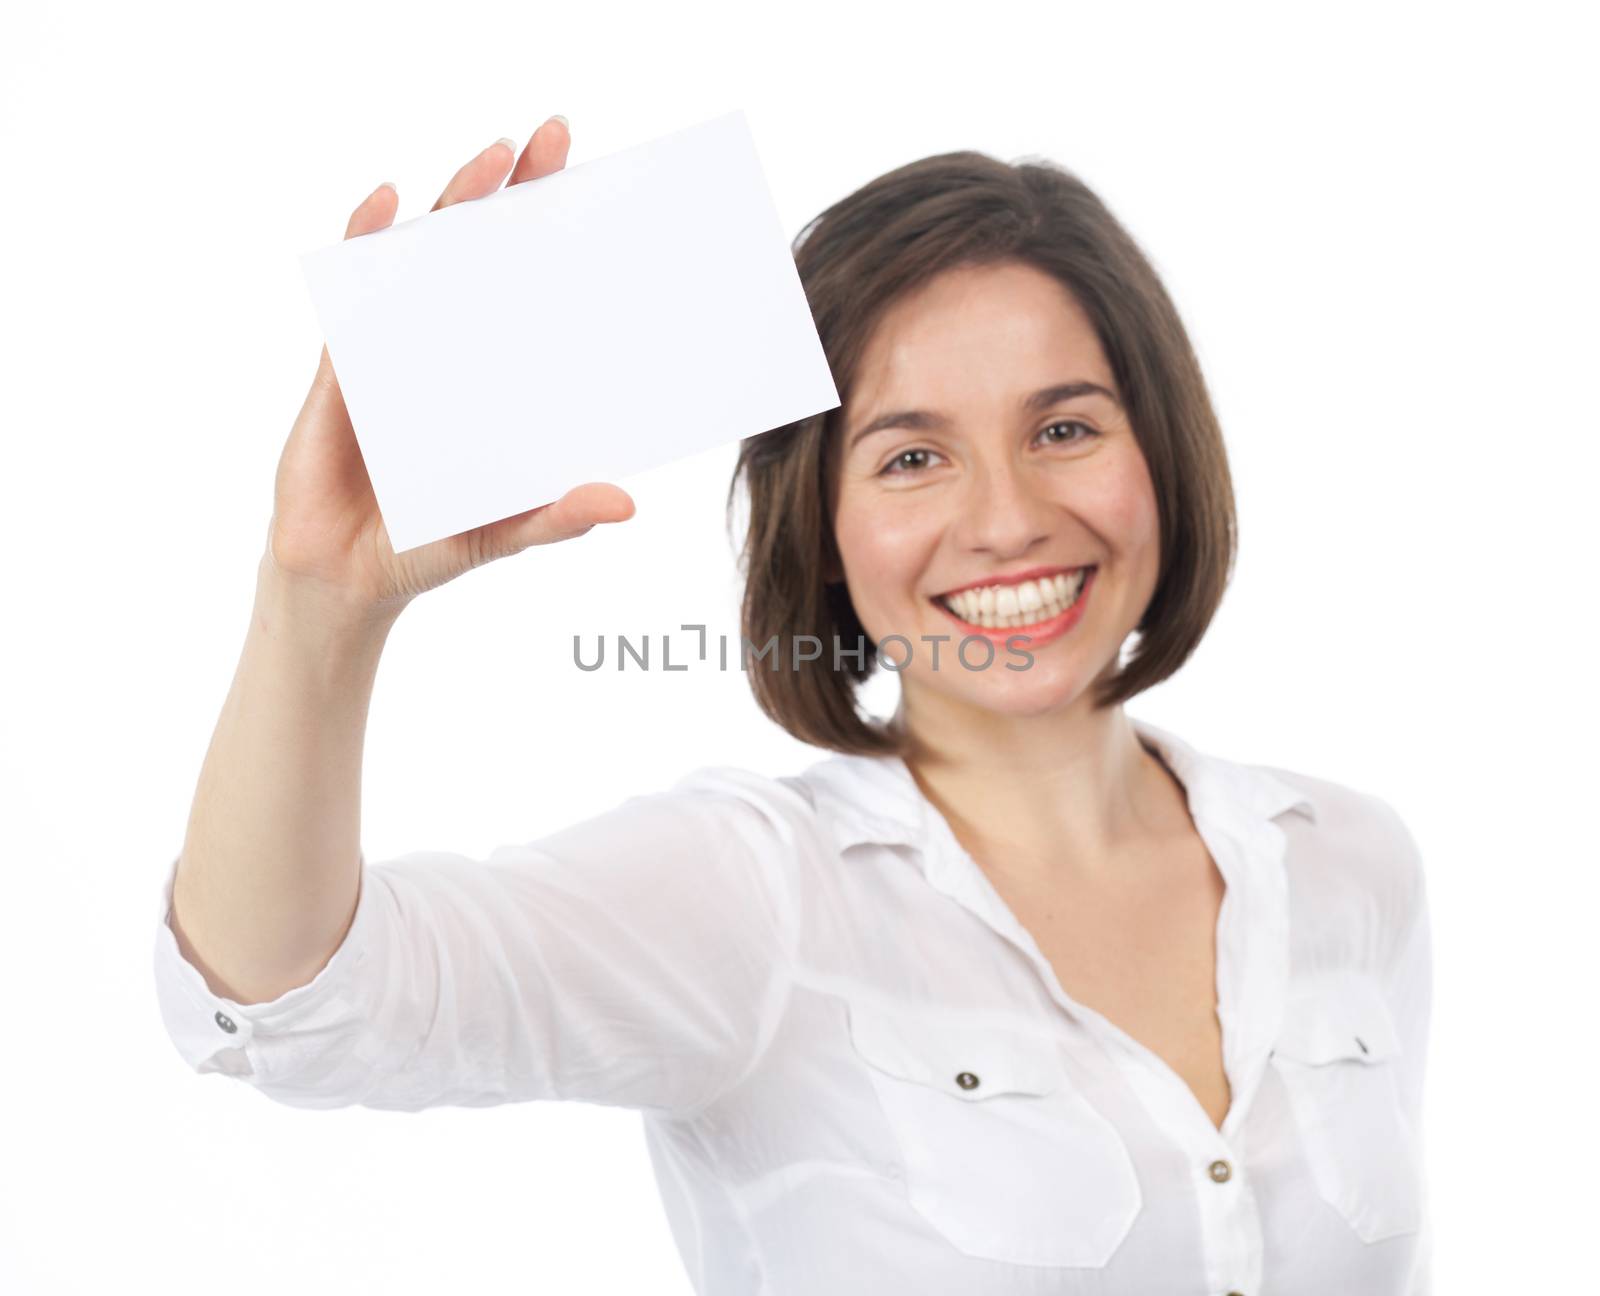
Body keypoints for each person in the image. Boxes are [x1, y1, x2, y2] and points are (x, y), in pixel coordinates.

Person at [152, 114, 1433, 1296]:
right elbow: (290, 1002)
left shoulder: (1347, 863)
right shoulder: (754, 899)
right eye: (913, 456)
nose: (1006, 521)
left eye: (1065, 430)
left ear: (1162, 449)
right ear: (820, 525)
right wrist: (319, 608)